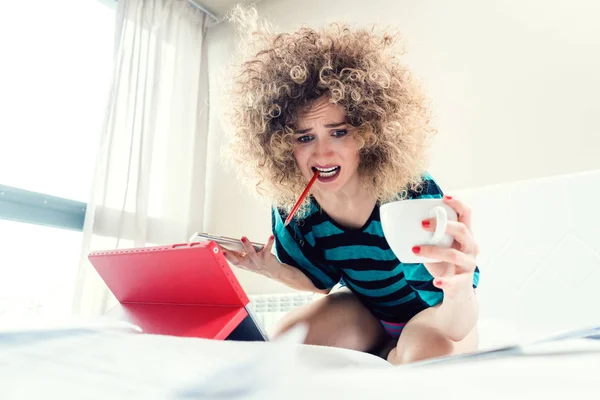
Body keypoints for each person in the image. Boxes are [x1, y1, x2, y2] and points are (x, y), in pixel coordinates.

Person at [220, 7, 480, 364]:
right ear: (282, 145)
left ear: (367, 132)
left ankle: (396, 353)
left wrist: (459, 285)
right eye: (305, 137)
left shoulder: (411, 193)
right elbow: (320, 282)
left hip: (435, 314)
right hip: (367, 312)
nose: (323, 152)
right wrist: (270, 268)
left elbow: (456, 325)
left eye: (339, 132)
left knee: (425, 357)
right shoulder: (296, 207)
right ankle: (385, 349)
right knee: (283, 346)